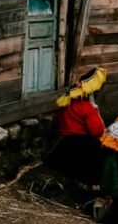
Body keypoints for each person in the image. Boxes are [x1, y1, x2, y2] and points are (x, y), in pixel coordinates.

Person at [45, 67, 108, 198]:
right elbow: (97, 131)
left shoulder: (65, 103)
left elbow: (55, 122)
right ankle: (95, 189)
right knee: (102, 156)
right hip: (82, 146)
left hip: (62, 144)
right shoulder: (87, 107)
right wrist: (96, 112)